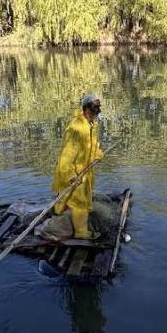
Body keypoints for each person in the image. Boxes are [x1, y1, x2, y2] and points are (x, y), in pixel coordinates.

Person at [52, 94, 104, 239]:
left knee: (74, 199)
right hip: (74, 171)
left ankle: (60, 214)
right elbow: (65, 157)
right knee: (79, 203)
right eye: (95, 108)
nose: (98, 111)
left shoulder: (92, 124)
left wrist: (98, 154)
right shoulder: (75, 129)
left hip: (86, 171)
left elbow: (94, 144)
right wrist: (71, 175)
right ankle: (81, 233)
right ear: (86, 108)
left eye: (99, 108)